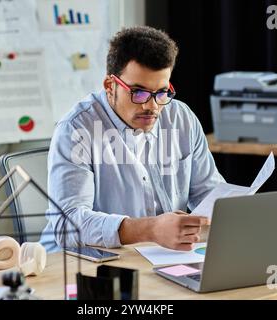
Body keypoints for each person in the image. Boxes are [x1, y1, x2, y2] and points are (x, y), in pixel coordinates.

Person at [40, 26, 225, 252]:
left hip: (158, 258)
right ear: (110, 86)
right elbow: (67, 225)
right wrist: (151, 229)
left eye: (162, 92)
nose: (152, 106)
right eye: (138, 93)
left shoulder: (181, 118)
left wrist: (229, 212)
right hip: (81, 264)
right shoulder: (76, 129)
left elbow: (210, 194)